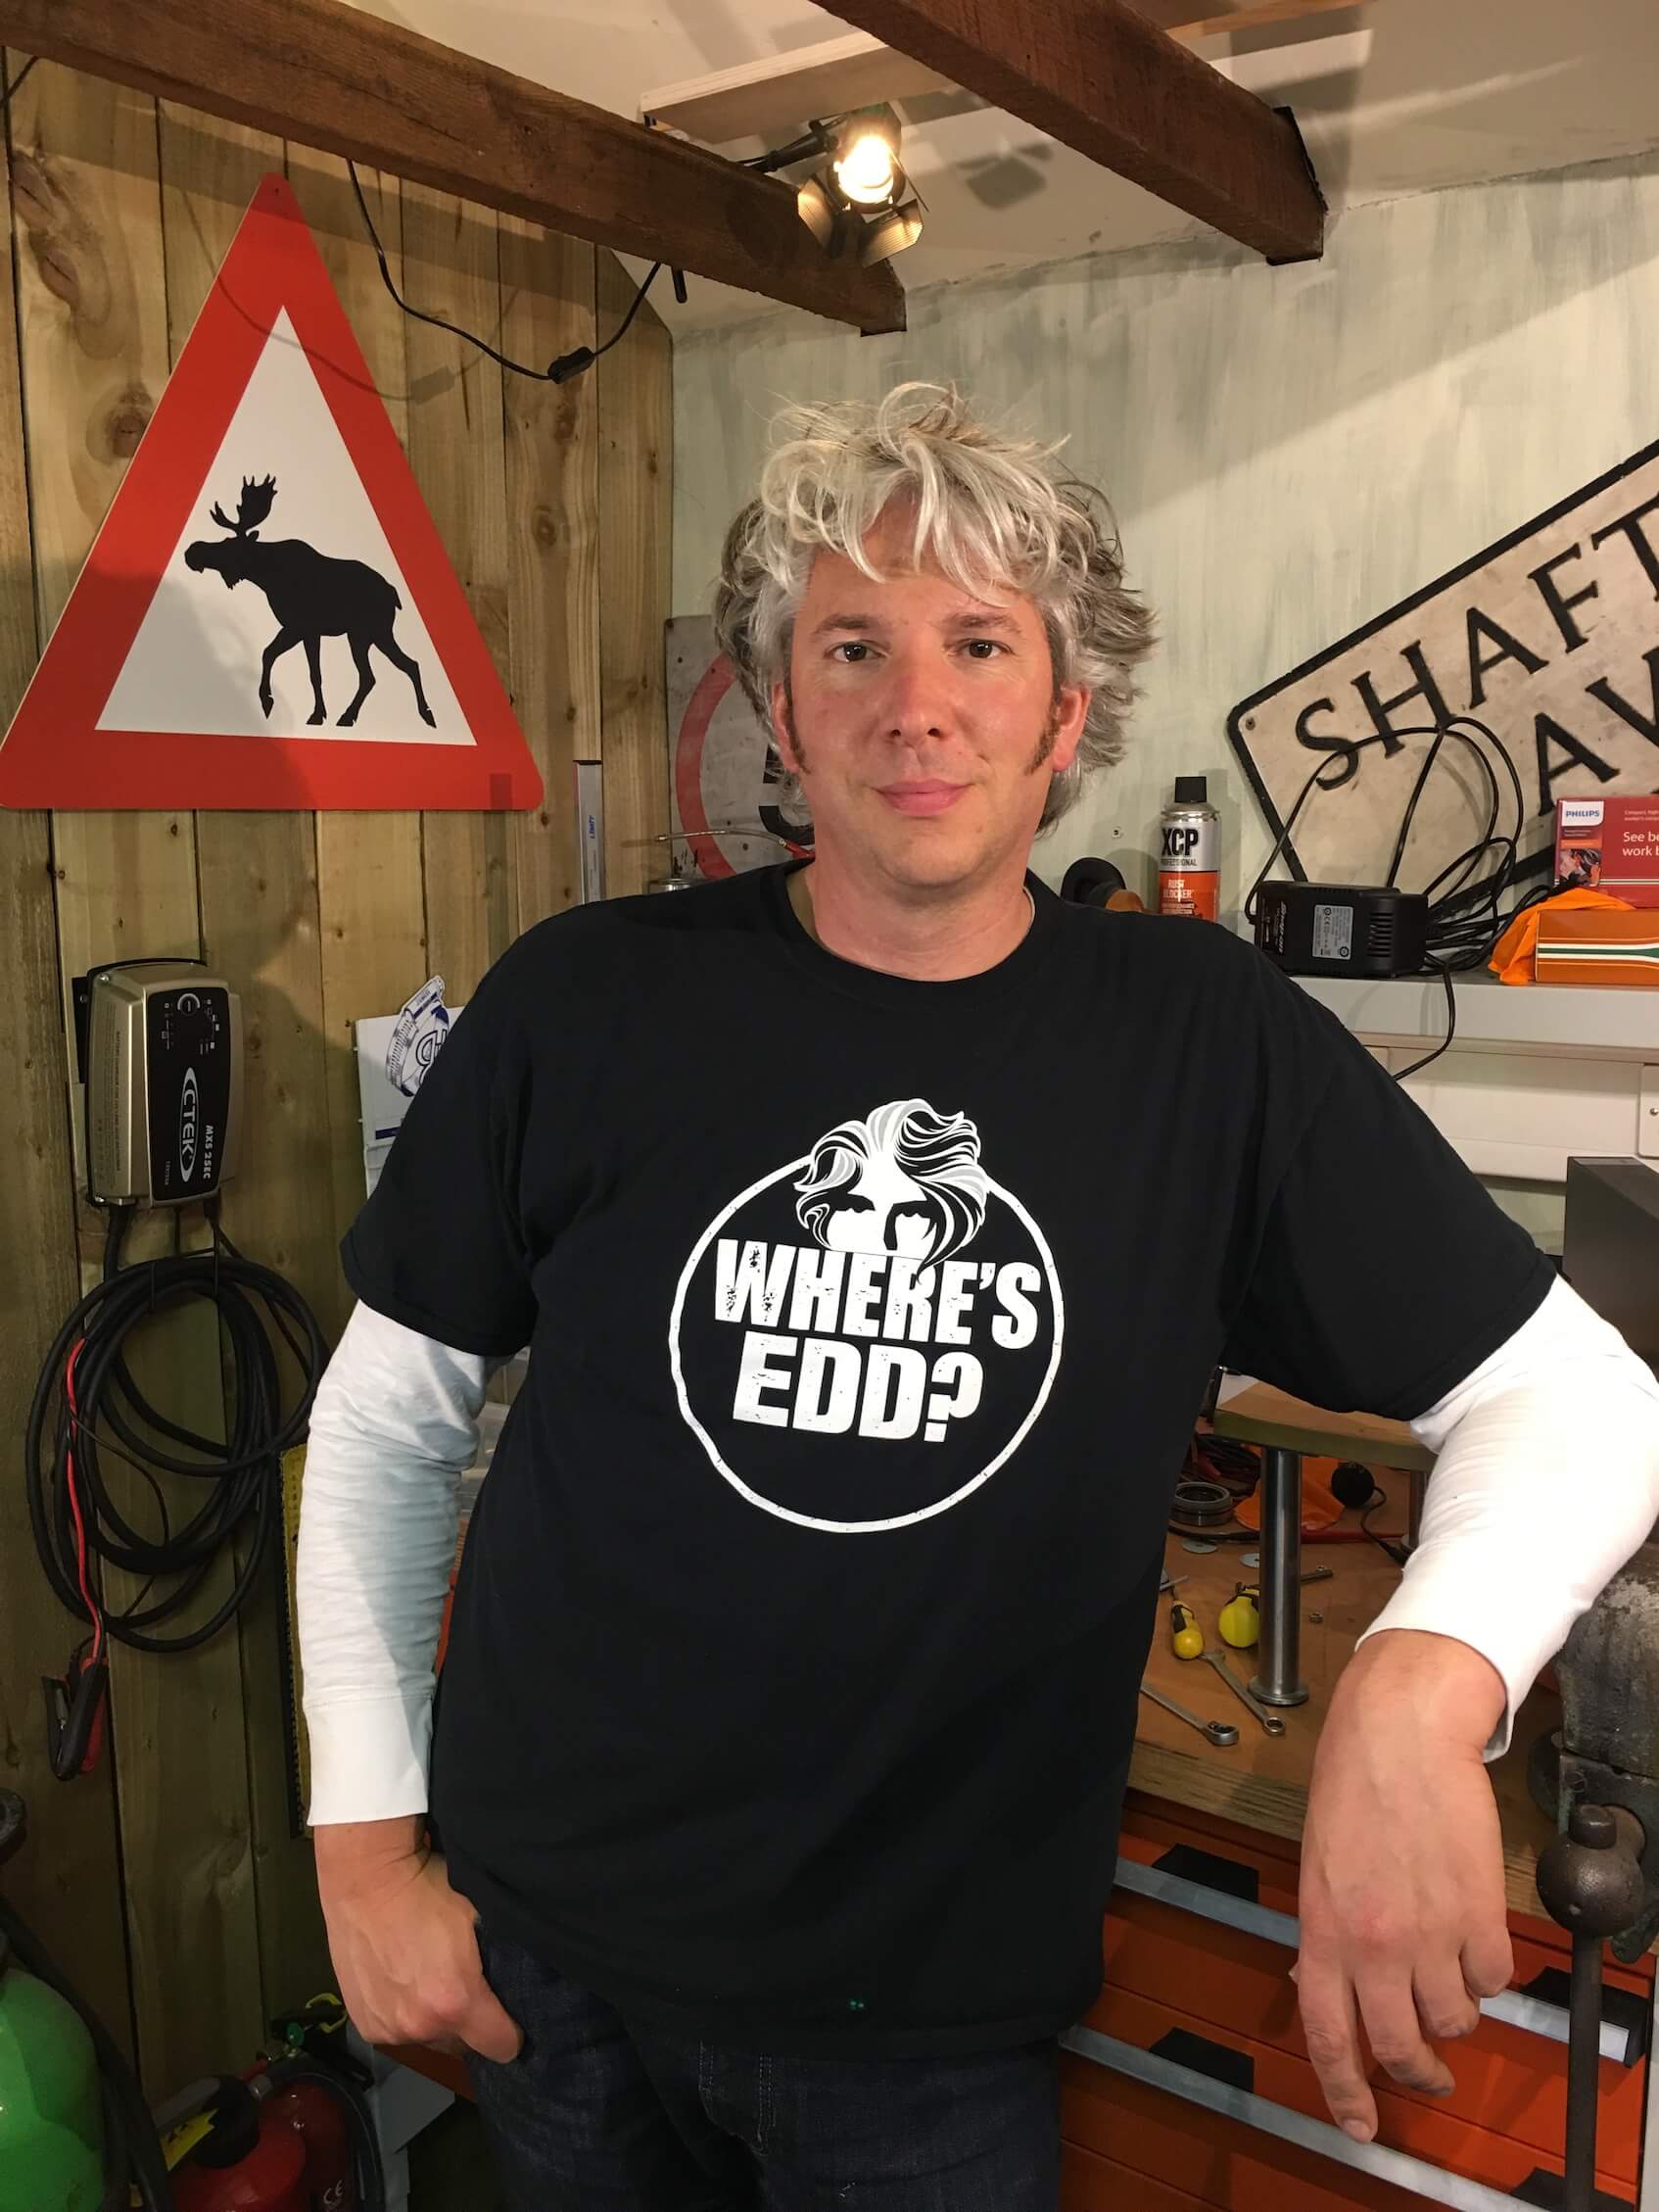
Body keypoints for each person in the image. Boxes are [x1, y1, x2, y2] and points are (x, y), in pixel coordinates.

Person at [298, 384, 1659, 2209]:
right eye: (851, 645)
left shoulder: (1202, 1039)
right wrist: (362, 1847)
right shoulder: (584, 997)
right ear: (783, 709)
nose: (914, 703)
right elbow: (384, 1421)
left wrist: (1420, 1683)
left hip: (925, 2031)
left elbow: (1582, 1399)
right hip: (547, 1966)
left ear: (1064, 714)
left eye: (978, 643)